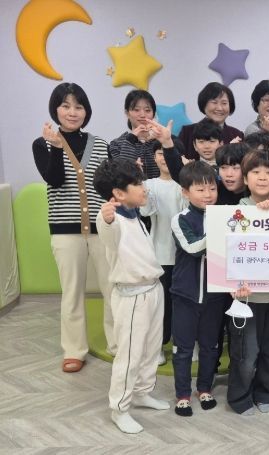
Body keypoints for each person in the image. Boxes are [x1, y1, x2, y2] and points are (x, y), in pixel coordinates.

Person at [32, 82, 116, 372]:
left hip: (102, 228)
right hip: (65, 231)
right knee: (72, 292)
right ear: (55, 109)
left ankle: (117, 344)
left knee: (112, 288)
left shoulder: (101, 144)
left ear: (86, 111)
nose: (72, 112)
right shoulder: (42, 144)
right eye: (65, 105)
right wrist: (57, 148)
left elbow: (108, 186)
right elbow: (54, 180)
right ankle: (74, 350)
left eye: (78, 106)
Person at [93, 158, 169, 434]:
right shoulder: (112, 219)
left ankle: (142, 392)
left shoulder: (134, 212)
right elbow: (107, 228)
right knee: (130, 354)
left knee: (151, 348)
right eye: (137, 183)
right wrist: (106, 217)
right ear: (118, 193)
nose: (144, 187)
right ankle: (119, 408)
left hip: (153, 289)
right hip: (132, 296)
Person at [227, 149, 269, 416]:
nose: (262, 177)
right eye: (255, 172)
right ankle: (240, 397)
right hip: (245, 298)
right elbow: (226, 249)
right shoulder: (235, 212)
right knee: (245, 353)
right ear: (245, 178)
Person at [170, 161, 230, 416]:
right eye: (200, 189)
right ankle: (182, 394)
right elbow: (192, 248)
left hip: (215, 295)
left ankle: (204, 388)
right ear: (185, 192)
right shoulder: (180, 219)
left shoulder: (225, 215)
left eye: (212, 188)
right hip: (185, 294)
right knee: (183, 349)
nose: (208, 194)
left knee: (210, 346)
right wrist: (219, 230)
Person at [140, 140, 188, 365]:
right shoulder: (149, 183)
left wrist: (186, 180)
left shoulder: (184, 184)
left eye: (168, 153)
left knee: (183, 304)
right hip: (159, 254)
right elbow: (146, 211)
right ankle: (158, 345)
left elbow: (188, 212)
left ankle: (183, 343)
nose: (164, 158)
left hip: (184, 255)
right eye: (159, 153)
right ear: (154, 157)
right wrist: (140, 186)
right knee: (159, 305)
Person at [109, 89, 184, 179]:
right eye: (136, 110)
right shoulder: (117, 144)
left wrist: (166, 142)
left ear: (154, 114)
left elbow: (179, 171)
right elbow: (119, 175)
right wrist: (131, 139)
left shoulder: (167, 140)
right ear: (127, 113)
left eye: (147, 110)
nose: (142, 115)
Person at [178, 82, 243, 159]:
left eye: (224, 103)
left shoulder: (237, 135)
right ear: (204, 104)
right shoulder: (187, 133)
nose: (219, 108)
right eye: (214, 102)